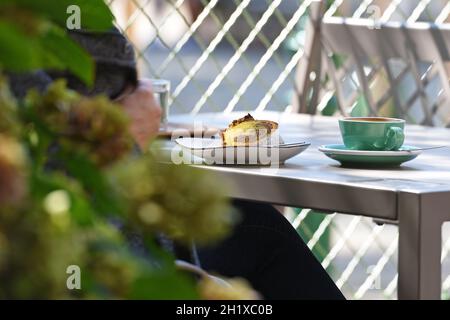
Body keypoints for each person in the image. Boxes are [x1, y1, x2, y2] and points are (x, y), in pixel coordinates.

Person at [9, 29, 344, 300]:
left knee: (256, 225)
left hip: (115, 231)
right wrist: (119, 139)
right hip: (91, 256)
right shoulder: (21, 34)